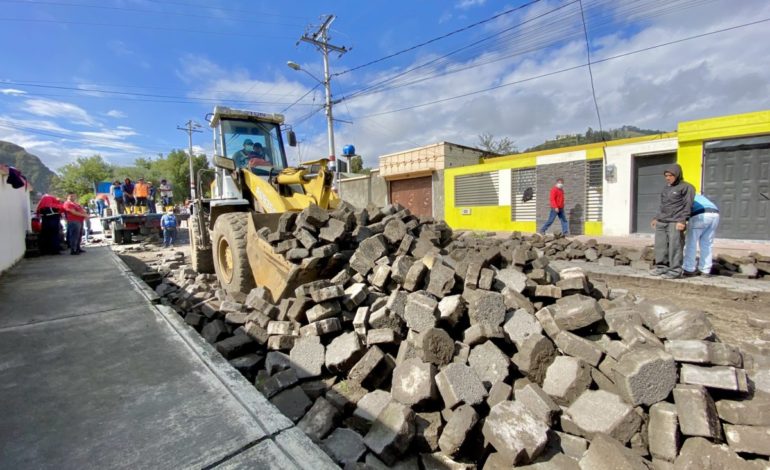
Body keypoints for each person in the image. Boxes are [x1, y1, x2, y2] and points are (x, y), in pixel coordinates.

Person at [650, 164, 695, 279]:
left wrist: (682, 220)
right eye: (666, 176)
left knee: (675, 246)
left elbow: (688, 205)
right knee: (660, 246)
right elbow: (662, 205)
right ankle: (661, 267)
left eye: (671, 175)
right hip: (662, 221)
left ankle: (675, 271)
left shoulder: (687, 187)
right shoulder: (666, 188)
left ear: (677, 175)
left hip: (675, 222)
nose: (668, 178)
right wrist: (656, 217)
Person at [683, 194, 720, 277]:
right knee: (707, 243)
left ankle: (688, 268)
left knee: (691, 242)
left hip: (700, 215)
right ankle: (705, 270)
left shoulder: (683, 196)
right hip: (715, 214)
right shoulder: (698, 195)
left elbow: (684, 211)